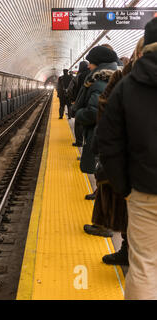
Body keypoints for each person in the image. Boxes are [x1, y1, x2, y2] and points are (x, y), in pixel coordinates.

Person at [97, 18, 157, 300]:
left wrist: (125, 187)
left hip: (145, 190)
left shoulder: (126, 86)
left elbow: (109, 140)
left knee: (144, 265)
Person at [86, 37, 145, 265]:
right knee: (128, 207)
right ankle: (127, 250)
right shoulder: (121, 77)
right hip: (126, 155)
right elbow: (104, 108)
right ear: (138, 52)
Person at [73, 45, 118, 202]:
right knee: (105, 170)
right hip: (110, 132)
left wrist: (78, 114)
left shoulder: (99, 82)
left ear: (98, 64)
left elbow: (94, 111)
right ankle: (100, 197)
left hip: (103, 133)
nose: (89, 66)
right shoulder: (113, 76)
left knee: (103, 170)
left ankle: (105, 217)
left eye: (91, 62)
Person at [68, 61, 90, 147]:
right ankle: (88, 142)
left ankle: (79, 142)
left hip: (79, 102)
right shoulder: (92, 75)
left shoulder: (78, 76)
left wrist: (73, 99)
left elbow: (70, 89)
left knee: (78, 122)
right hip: (89, 102)